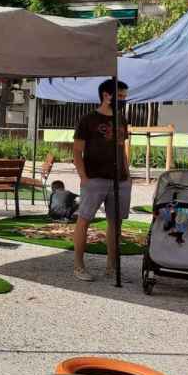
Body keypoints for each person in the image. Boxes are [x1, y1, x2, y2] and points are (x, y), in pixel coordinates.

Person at [71, 78, 131, 282]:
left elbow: (122, 149)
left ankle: (111, 267)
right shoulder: (88, 120)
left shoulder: (122, 119)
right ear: (107, 95)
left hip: (120, 181)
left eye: (125, 96)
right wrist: (84, 177)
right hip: (94, 179)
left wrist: (128, 175)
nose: (124, 100)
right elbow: (77, 151)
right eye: (121, 96)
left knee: (116, 223)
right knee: (84, 221)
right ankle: (78, 266)